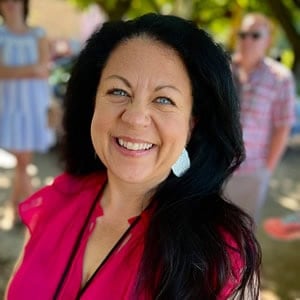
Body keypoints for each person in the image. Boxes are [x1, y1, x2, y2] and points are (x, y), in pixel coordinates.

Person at [6, 13, 261, 299]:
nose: (136, 117)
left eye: (164, 99)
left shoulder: (220, 257)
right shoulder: (55, 201)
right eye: (118, 91)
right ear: (93, 104)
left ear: (192, 123)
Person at [224, 13, 296, 222]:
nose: (247, 40)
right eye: (243, 34)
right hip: (215, 166)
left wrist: (266, 171)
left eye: (255, 35)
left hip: (252, 170)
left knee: (240, 231)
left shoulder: (280, 78)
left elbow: (283, 127)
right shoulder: (222, 69)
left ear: (268, 40)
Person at [0, 0, 54, 229]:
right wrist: (31, 69)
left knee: (23, 162)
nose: (10, 4)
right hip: (10, 107)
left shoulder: (38, 34)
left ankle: (16, 210)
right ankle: (32, 212)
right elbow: (2, 72)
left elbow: (45, 69)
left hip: (34, 107)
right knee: (22, 161)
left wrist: (16, 72)